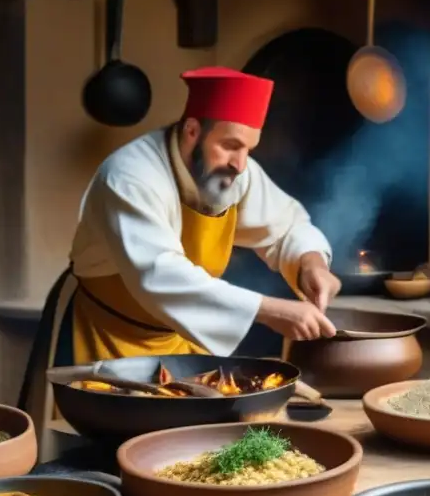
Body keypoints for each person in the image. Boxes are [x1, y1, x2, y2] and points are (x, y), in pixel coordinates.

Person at [18, 67, 341, 425]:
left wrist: (311, 263)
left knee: (183, 451)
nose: (240, 163)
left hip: (178, 340)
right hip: (102, 334)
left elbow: (286, 225)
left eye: (249, 148)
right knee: (93, 444)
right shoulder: (129, 175)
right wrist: (268, 310)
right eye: (230, 145)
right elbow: (160, 274)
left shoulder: (236, 172)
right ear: (192, 131)